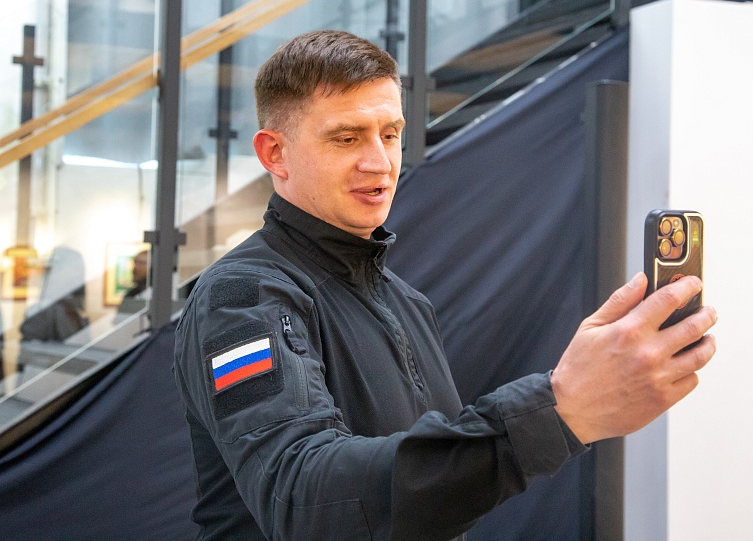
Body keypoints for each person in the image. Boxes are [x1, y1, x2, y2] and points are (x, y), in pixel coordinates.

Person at [173, 30, 717, 540]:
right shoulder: (241, 297)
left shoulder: (406, 302)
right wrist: (560, 408)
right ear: (275, 154)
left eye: (391, 135)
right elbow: (306, 499)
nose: (379, 162)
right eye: (346, 138)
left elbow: (427, 496)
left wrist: (569, 409)